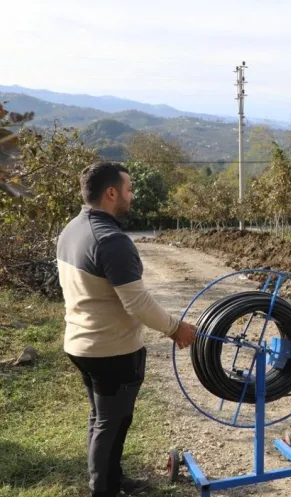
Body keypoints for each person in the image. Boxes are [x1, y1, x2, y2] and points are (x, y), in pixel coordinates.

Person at [56, 162, 197, 497]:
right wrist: (177, 328)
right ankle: (103, 490)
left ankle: (113, 480)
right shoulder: (111, 240)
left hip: (81, 343)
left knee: (105, 418)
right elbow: (138, 303)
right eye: (129, 189)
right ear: (111, 193)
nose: (132, 196)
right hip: (110, 349)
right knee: (110, 422)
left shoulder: (73, 229)